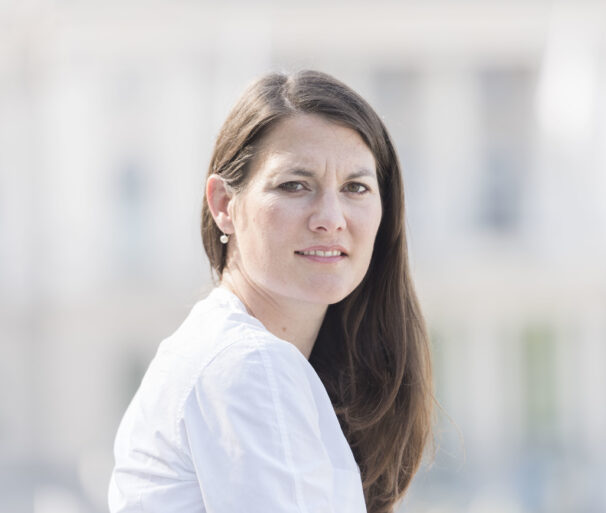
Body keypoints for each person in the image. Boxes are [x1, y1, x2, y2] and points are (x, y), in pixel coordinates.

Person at [108, 70, 434, 513]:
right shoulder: (249, 364)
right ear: (224, 204)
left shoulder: (227, 351)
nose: (331, 218)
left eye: (355, 187)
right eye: (294, 185)